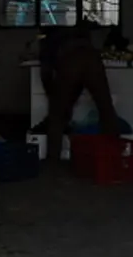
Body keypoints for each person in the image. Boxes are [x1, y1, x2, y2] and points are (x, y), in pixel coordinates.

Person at [41, 22, 119, 163]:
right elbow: (81, 80)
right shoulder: (81, 34)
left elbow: (46, 73)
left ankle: (53, 162)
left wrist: (55, 100)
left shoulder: (49, 41)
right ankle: (114, 156)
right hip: (92, 59)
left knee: (56, 116)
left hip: (69, 60)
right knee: (106, 109)